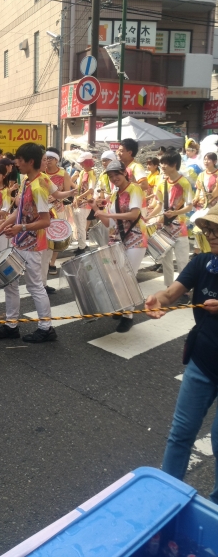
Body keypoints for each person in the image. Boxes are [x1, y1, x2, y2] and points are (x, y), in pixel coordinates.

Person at [144, 205, 218, 504]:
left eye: (216, 229)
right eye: (208, 230)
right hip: (202, 361)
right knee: (180, 434)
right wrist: (157, 300)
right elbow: (171, 293)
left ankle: (213, 510)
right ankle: (166, 498)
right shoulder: (202, 263)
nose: (211, 235)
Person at [0, 142, 57, 343]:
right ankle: (11, 325)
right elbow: (19, 212)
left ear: (30, 161)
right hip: (18, 242)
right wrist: (1, 228)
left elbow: (46, 220)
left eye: (19, 159)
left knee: (35, 286)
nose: (16, 162)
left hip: (33, 245)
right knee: (10, 283)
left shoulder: (39, 186)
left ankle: (46, 328)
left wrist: (21, 228)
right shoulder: (27, 181)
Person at [93, 160, 148, 333]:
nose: (114, 178)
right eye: (110, 176)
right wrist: (96, 209)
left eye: (117, 174)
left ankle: (128, 315)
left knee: (129, 276)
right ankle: (122, 306)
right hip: (118, 239)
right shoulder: (115, 194)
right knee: (116, 275)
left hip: (136, 238)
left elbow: (134, 214)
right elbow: (110, 222)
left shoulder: (135, 189)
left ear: (125, 173)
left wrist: (108, 213)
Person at [147, 151, 193, 288]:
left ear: (174, 164)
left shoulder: (184, 183)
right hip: (164, 227)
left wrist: (176, 212)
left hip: (180, 227)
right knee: (166, 260)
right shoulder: (162, 183)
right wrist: (148, 217)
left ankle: (182, 290)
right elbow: (159, 205)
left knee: (182, 261)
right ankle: (169, 287)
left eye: (166, 163)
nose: (163, 166)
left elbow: (190, 206)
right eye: (162, 163)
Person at [44, 148, 74, 277]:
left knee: (56, 238)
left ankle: (52, 262)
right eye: (46, 158)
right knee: (44, 237)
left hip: (58, 210)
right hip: (43, 210)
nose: (48, 161)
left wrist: (56, 197)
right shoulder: (41, 173)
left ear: (57, 160)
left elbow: (67, 193)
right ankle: (44, 262)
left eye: (51, 158)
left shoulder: (63, 174)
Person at [73, 152, 96, 255]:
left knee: (81, 225)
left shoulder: (92, 173)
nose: (81, 165)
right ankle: (81, 244)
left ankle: (81, 247)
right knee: (78, 225)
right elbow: (78, 188)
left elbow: (91, 189)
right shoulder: (82, 172)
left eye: (83, 162)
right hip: (79, 202)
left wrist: (78, 198)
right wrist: (75, 198)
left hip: (86, 203)